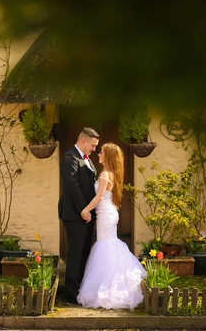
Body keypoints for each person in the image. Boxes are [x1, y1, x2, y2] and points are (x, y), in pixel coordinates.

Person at [77, 143, 147, 310]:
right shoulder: (113, 174)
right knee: (110, 244)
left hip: (106, 215)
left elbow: (99, 197)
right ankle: (114, 283)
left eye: (101, 152)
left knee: (105, 246)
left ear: (107, 156)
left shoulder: (104, 175)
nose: (98, 154)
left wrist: (85, 210)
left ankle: (108, 288)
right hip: (109, 213)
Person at [58, 127, 100, 304]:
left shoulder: (87, 159)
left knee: (84, 251)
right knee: (76, 252)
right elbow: (72, 186)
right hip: (75, 214)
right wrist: (84, 210)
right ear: (83, 141)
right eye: (93, 145)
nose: (94, 149)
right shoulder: (70, 157)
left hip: (86, 214)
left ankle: (81, 288)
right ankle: (71, 292)